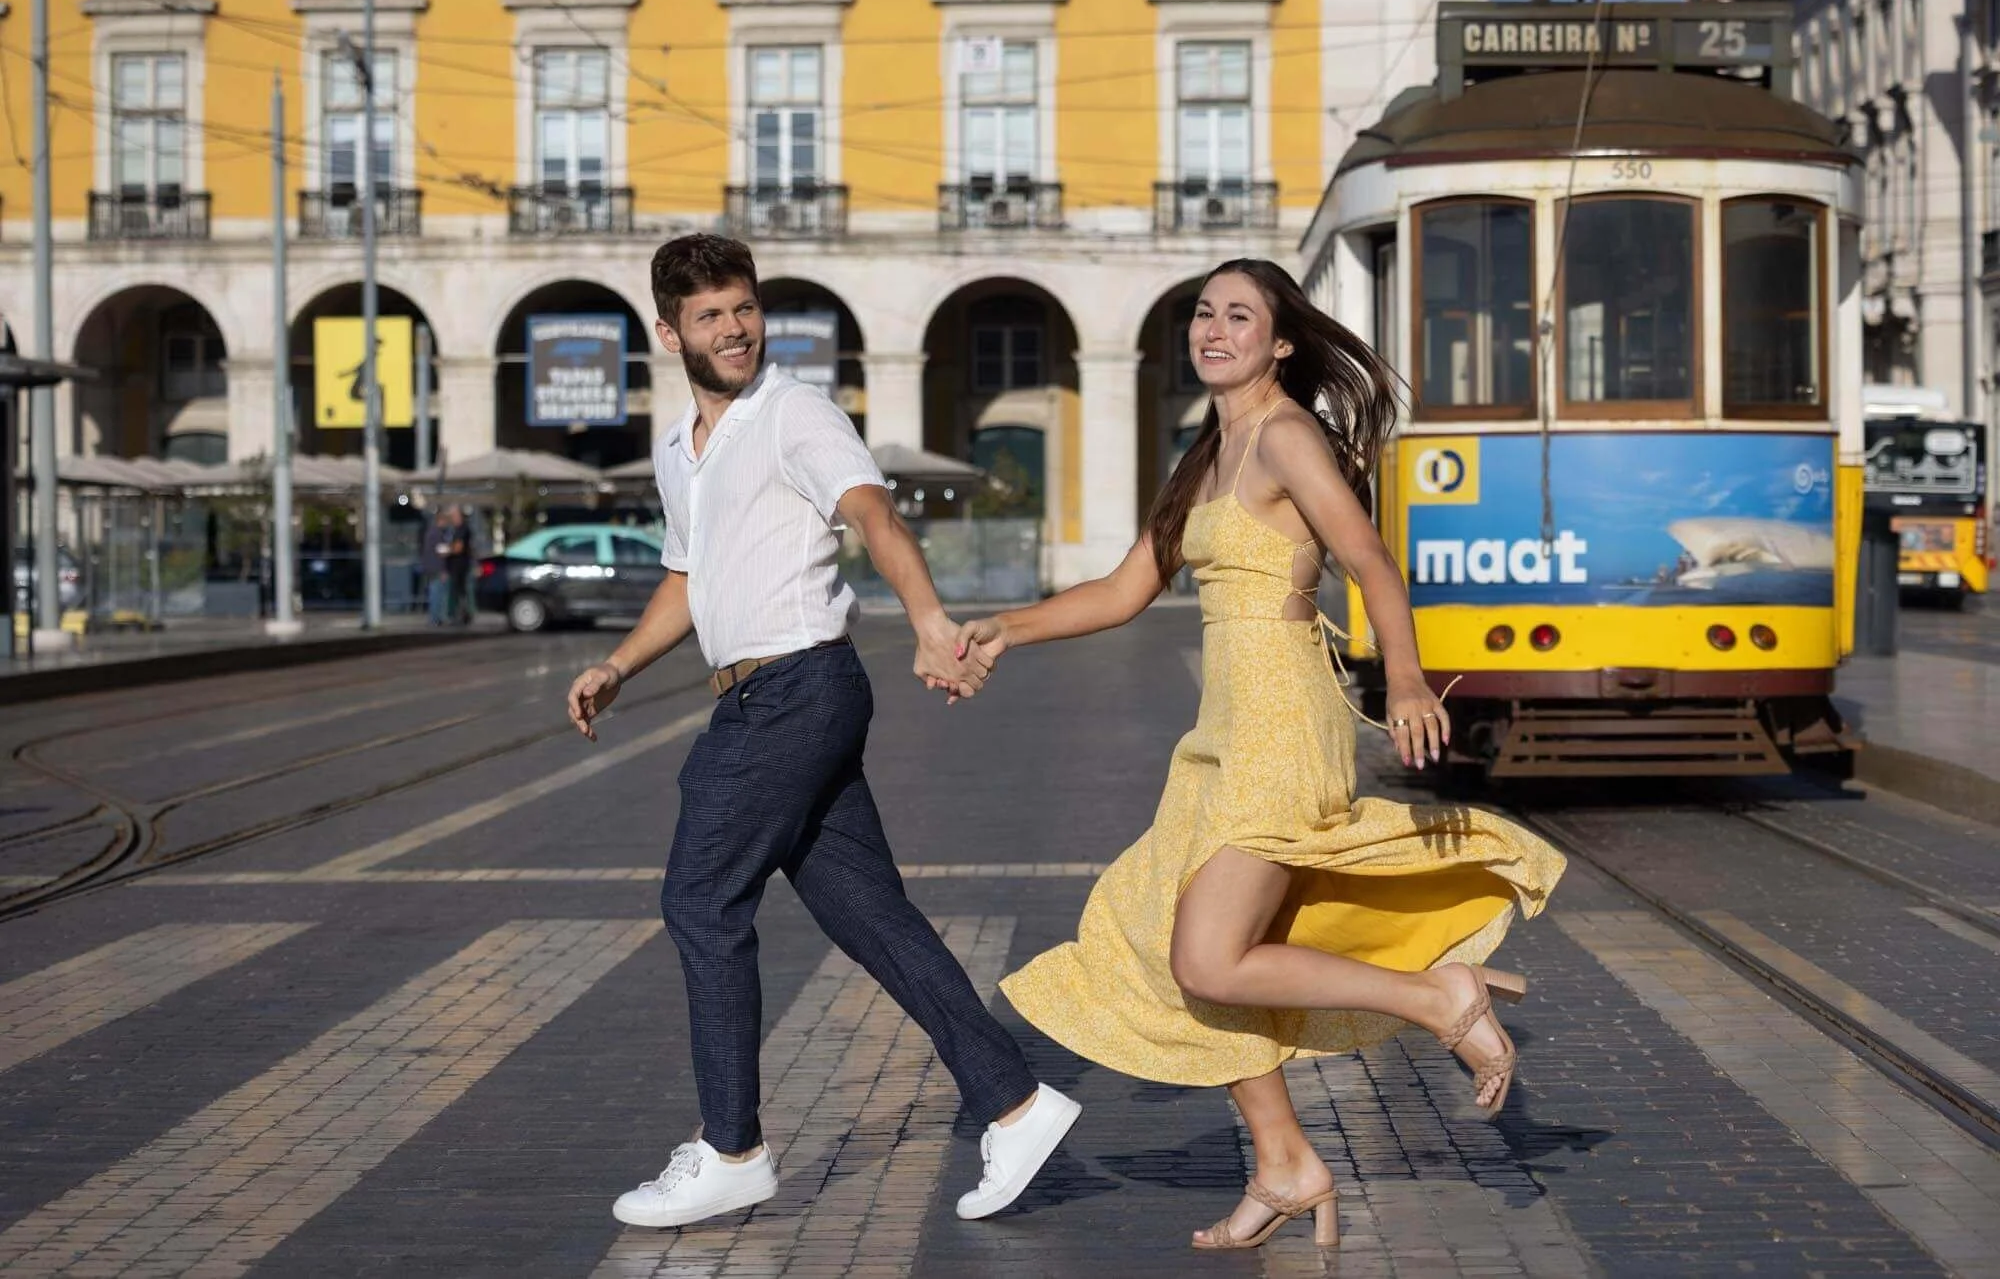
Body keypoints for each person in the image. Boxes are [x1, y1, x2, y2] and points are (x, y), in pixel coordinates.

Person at [951, 259, 1566, 1252]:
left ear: (1280, 342)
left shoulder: (1283, 435)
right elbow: (1119, 591)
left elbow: (1367, 558)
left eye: (1239, 316)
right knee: (1177, 947)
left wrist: (1404, 679)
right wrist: (1003, 630)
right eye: (1203, 312)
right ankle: (1283, 1160)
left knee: (1207, 951)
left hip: (1281, 719)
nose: (1213, 329)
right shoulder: (1208, 451)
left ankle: (1433, 995)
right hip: (1219, 733)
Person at [563, 234, 1079, 1232]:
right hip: (771, 693)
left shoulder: (793, 412)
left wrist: (929, 621)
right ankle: (1015, 1103)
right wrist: (617, 666)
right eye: (709, 315)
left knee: (700, 898)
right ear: (667, 332)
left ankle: (731, 1147)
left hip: (795, 690)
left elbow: (873, 515)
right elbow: (688, 577)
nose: (735, 329)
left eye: (745, 307)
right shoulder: (679, 449)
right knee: (868, 915)